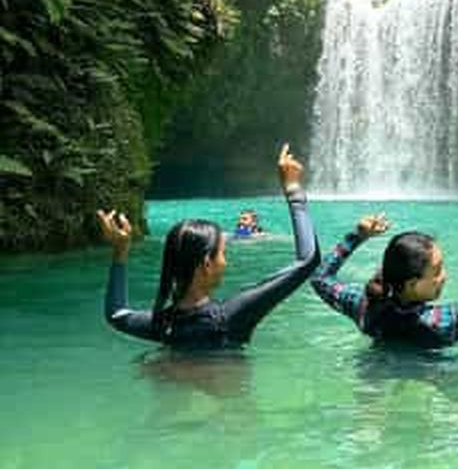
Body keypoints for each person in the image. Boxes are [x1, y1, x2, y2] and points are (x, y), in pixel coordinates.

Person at [97, 144, 319, 348]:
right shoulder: (232, 316)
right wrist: (292, 188)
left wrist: (120, 253)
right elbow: (308, 261)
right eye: (222, 253)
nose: (226, 260)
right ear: (206, 264)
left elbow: (116, 314)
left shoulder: (161, 324)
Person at [310, 202, 458, 348]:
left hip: (374, 380)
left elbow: (320, 279)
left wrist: (356, 237)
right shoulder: (446, 322)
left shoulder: (365, 307)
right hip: (435, 386)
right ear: (412, 284)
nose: (445, 276)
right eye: (437, 271)